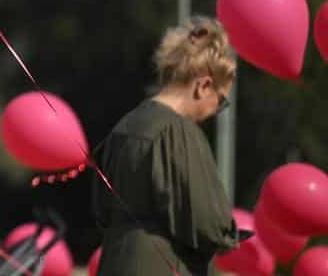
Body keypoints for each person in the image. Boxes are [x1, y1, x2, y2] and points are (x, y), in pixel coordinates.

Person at [91, 17, 239, 275]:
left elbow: (101, 210)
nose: (217, 111)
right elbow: (208, 222)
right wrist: (230, 234)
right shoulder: (179, 131)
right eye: (221, 101)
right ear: (203, 86)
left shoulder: (124, 126)